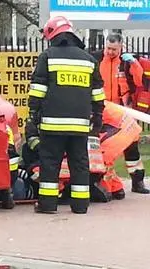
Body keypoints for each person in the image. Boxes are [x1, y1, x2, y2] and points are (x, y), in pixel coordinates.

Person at [25, 16, 105, 214]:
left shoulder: (48, 56)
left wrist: (33, 115)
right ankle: (80, 205)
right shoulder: (89, 60)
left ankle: (47, 204)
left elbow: (38, 90)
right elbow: (98, 94)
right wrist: (97, 117)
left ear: (53, 34)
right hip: (79, 125)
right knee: (79, 164)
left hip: (53, 124)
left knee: (50, 163)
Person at [91, 33, 149, 197]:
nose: (110, 52)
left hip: (123, 111)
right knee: (103, 148)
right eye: (108, 48)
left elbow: (139, 82)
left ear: (121, 47)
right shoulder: (95, 59)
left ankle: (137, 182)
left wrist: (134, 63)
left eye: (114, 49)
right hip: (102, 111)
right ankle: (106, 183)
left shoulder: (126, 62)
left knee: (132, 148)